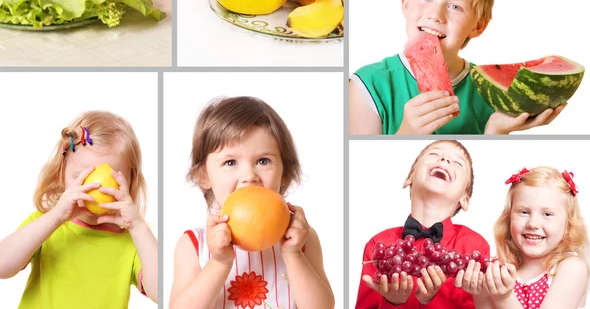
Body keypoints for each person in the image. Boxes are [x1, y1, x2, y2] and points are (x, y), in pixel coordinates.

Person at [349, 0, 564, 135]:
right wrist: (406, 134)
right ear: (405, 4)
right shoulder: (367, 85)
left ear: (478, 26)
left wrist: (496, 132)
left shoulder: (490, 91)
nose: (435, 14)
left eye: (454, 6)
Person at [169, 96, 334, 309]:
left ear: (284, 172)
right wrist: (219, 262)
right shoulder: (194, 244)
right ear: (204, 175)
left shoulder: (303, 238)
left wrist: (293, 254)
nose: (249, 175)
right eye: (230, 162)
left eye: (263, 161)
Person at [0, 110, 158, 307]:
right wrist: (56, 216)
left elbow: (162, 292)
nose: (92, 189)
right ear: (61, 174)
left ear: (131, 182)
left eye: (109, 180)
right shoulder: (45, 224)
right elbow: (2, 266)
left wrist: (137, 226)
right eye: (79, 177)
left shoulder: (133, 242)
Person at [356, 140, 489, 308]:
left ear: (465, 199)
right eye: (434, 154)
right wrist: (393, 303)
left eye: (457, 163)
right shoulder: (378, 245)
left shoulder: (475, 246)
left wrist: (432, 300)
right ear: (409, 178)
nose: (445, 160)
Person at [458, 167, 589, 309]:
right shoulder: (501, 269)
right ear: (508, 219)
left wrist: (504, 298)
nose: (533, 224)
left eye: (547, 214)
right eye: (524, 212)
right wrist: (481, 294)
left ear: (568, 224)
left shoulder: (571, 268)